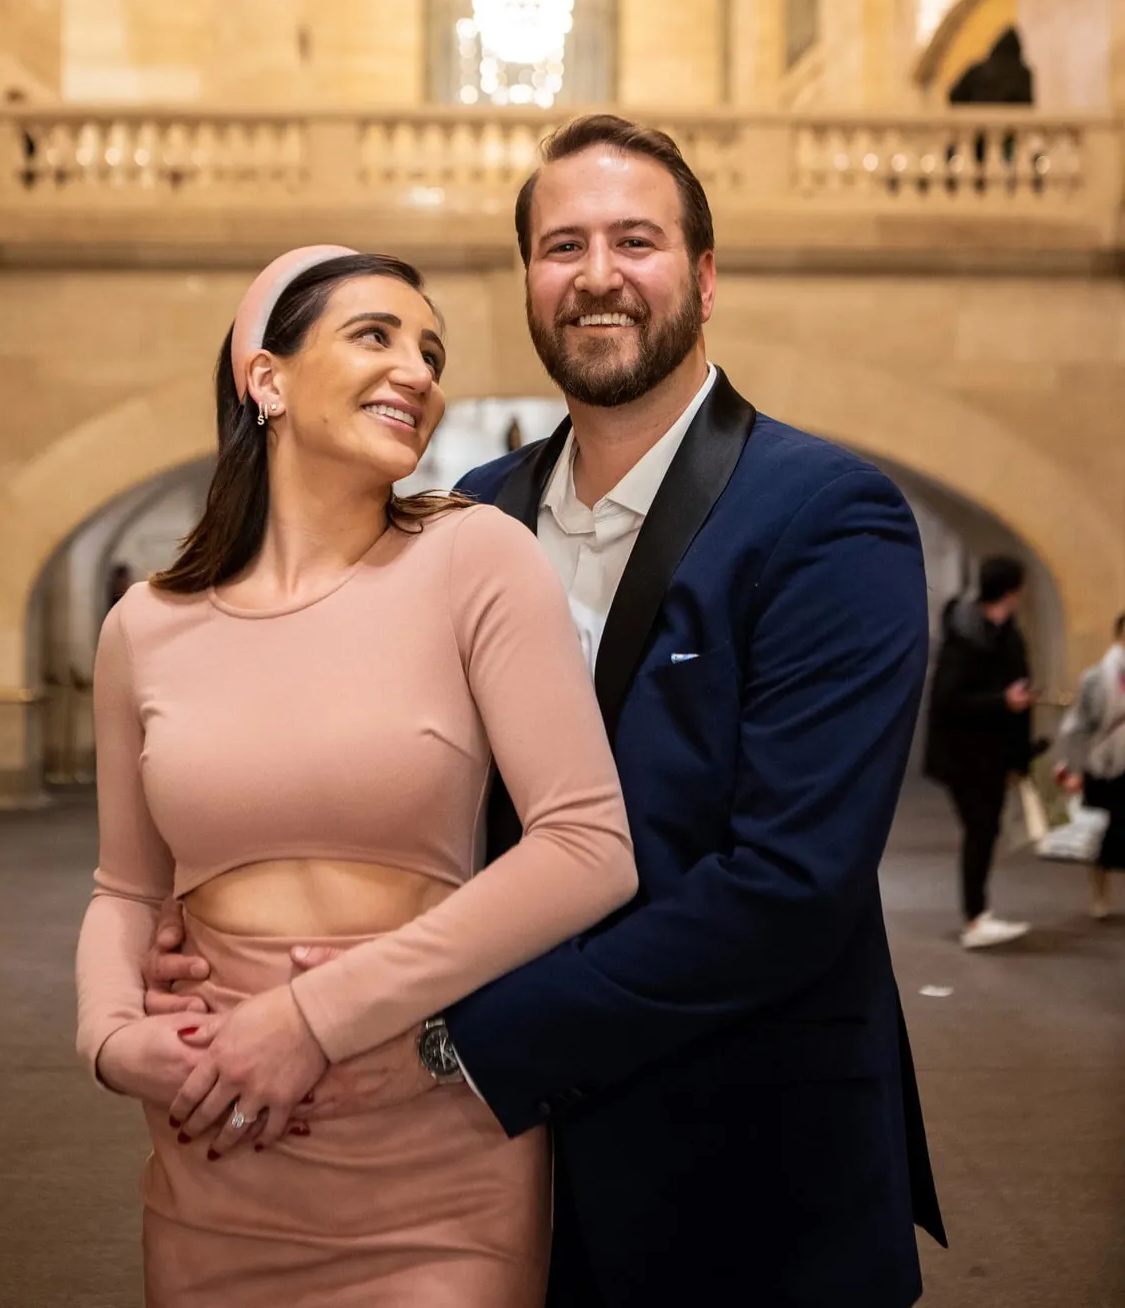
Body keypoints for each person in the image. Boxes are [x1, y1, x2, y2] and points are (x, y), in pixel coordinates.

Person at [148, 115, 945, 1308]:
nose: (598, 276)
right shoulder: (468, 513)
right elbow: (392, 778)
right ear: (528, 279)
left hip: (740, 1167)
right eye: (561, 246)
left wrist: (457, 1040)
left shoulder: (828, 516)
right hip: (484, 1176)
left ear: (705, 277)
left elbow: (787, 887)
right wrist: (222, 918)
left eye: (637, 241)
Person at [75, 244, 636, 1306]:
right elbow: (127, 889)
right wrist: (111, 1040)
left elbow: (587, 849)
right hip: (217, 1127)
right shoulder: (143, 626)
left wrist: (312, 1017)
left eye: (431, 350)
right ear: (266, 376)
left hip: (426, 1123)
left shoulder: (477, 558)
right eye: (375, 336)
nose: (420, 372)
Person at [925, 554, 1036, 948]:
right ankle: (975, 918)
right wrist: (1002, 700)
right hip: (967, 756)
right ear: (1010, 591)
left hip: (991, 753)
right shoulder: (968, 638)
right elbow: (948, 699)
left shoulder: (1004, 633)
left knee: (984, 831)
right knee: (981, 831)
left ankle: (977, 913)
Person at [1055, 612, 1125, 918]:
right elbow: (1077, 725)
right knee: (1100, 831)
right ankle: (1100, 895)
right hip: (1103, 762)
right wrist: (1072, 767)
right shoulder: (1096, 677)